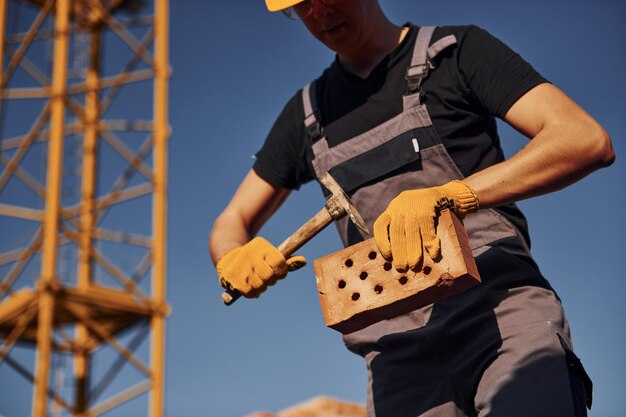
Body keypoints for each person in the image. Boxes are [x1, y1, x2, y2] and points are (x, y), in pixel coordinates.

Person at [209, 1, 615, 416]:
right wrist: (233, 255)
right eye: (300, 6)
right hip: (396, 360)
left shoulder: (454, 53)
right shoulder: (307, 113)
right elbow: (231, 221)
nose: (319, 13)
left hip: (501, 323)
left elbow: (582, 139)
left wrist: (453, 197)